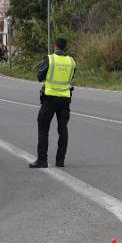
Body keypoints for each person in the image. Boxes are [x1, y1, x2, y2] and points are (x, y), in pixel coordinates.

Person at [29, 37, 76, 168]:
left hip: (50, 98)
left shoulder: (49, 59)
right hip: (65, 99)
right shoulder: (72, 61)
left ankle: (42, 160)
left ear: (55, 45)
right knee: (63, 129)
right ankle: (60, 161)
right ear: (65, 46)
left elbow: (39, 77)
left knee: (43, 129)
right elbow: (71, 77)